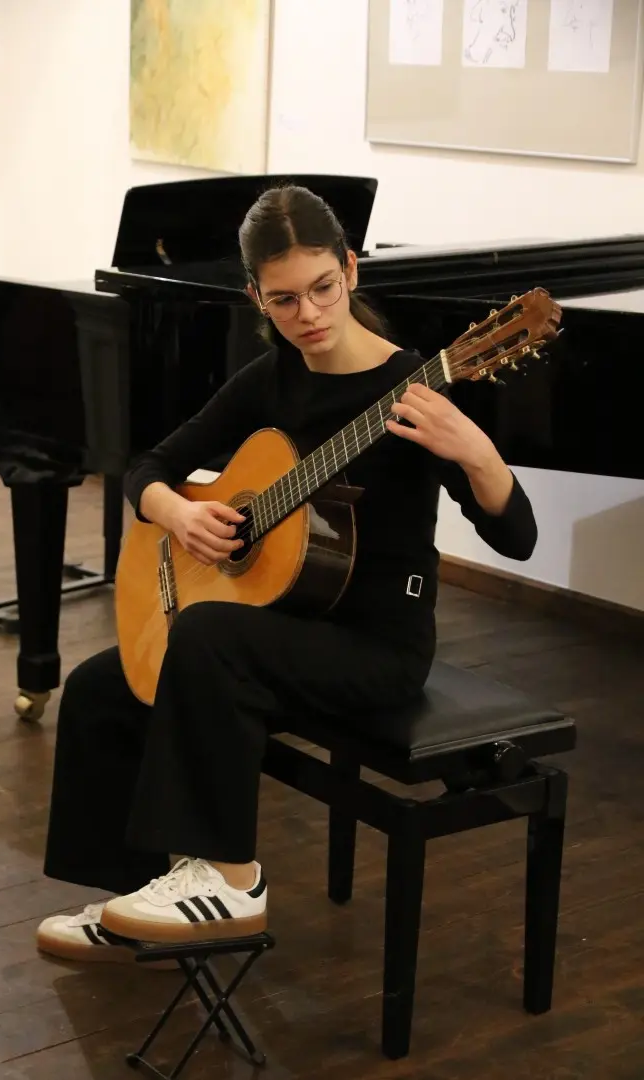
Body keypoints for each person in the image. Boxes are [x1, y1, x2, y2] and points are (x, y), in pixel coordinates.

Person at [36, 184, 537, 963]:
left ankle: (230, 880)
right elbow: (149, 468)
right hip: (282, 629)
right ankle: (134, 906)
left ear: (351, 270)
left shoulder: (415, 390)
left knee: (206, 635)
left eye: (323, 288)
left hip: (374, 646)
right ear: (256, 298)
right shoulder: (272, 379)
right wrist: (178, 515)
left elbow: (519, 539)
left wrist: (478, 455)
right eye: (284, 300)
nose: (308, 314)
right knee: (105, 686)